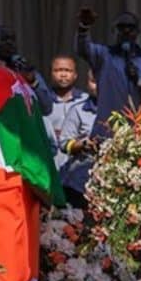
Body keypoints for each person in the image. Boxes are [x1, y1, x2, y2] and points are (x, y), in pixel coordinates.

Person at [76, 8, 141, 138]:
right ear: (114, 31)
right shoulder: (103, 55)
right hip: (107, 134)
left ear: (138, 32)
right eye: (121, 27)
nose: (126, 31)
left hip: (140, 135)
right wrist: (83, 28)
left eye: (130, 28)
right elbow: (83, 50)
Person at [58, 71, 99, 208]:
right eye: (93, 81)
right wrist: (82, 144)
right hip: (80, 183)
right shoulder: (78, 110)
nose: (98, 86)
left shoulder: (121, 108)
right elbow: (64, 143)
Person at [43, 55, 89, 169]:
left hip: (77, 165)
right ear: (51, 74)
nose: (63, 74)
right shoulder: (43, 101)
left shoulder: (85, 101)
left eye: (68, 70)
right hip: (50, 163)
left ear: (75, 75)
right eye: (58, 70)